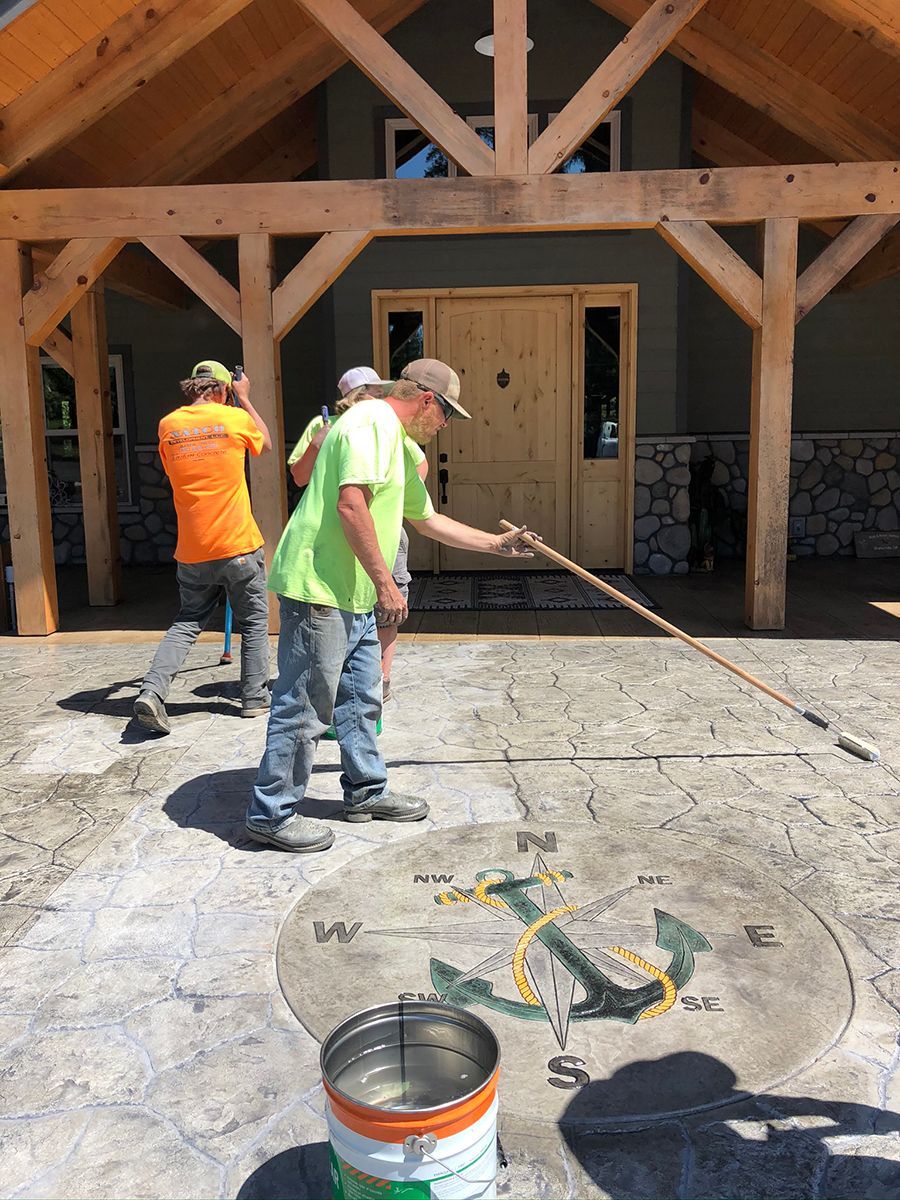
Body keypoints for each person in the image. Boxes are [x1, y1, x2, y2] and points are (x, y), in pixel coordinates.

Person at [245, 358, 536, 853]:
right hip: (321, 588)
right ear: (428, 400)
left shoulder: (396, 440)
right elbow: (351, 504)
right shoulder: (369, 422)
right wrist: (387, 583)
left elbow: (426, 519)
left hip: (351, 591)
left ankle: (365, 792)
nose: (445, 427)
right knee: (305, 705)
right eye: (447, 415)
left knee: (360, 697)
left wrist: (497, 545)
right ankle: (270, 813)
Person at [133, 360, 273, 735]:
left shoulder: (168, 425)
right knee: (255, 623)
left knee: (188, 621)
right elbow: (266, 443)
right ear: (224, 390)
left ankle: (152, 691)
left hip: (193, 550)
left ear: (192, 387)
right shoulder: (234, 419)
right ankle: (254, 698)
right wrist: (245, 400)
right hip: (238, 543)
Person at [288, 366, 425, 706]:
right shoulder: (327, 428)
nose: (379, 398)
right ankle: (346, 687)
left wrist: (394, 496)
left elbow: (418, 466)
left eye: (381, 391)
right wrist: (316, 446)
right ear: (353, 396)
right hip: (337, 542)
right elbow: (300, 477)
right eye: (374, 391)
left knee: (389, 608)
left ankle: (382, 676)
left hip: (385, 538)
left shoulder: (388, 426)